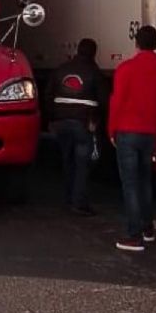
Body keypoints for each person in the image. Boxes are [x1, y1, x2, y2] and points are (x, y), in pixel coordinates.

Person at [107, 25, 156, 252]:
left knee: (130, 184)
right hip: (149, 133)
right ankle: (148, 229)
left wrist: (112, 130)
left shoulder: (126, 68)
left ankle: (133, 235)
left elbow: (116, 102)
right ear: (155, 44)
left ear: (136, 43)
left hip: (127, 131)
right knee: (144, 181)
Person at [46, 38, 107, 216]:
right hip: (83, 123)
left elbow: (48, 95)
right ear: (93, 53)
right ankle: (78, 202)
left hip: (61, 123)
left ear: (77, 50)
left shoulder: (61, 69)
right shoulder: (95, 73)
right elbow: (104, 101)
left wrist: (52, 118)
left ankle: (66, 198)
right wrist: (97, 121)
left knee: (67, 161)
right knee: (82, 164)